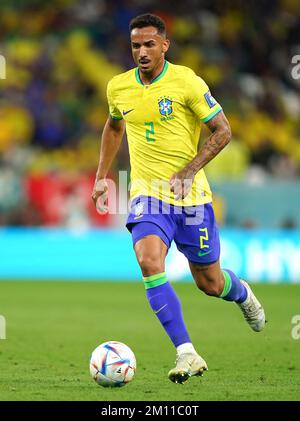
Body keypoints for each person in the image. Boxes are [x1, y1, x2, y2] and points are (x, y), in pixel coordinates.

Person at [92, 13, 266, 384]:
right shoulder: (118, 88)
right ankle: (186, 352)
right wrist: (103, 176)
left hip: (191, 198)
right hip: (147, 196)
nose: (142, 51)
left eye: (149, 44)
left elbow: (223, 130)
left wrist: (190, 170)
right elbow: (114, 125)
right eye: (136, 45)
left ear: (164, 45)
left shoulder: (186, 81)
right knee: (149, 260)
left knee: (210, 283)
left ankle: (242, 293)